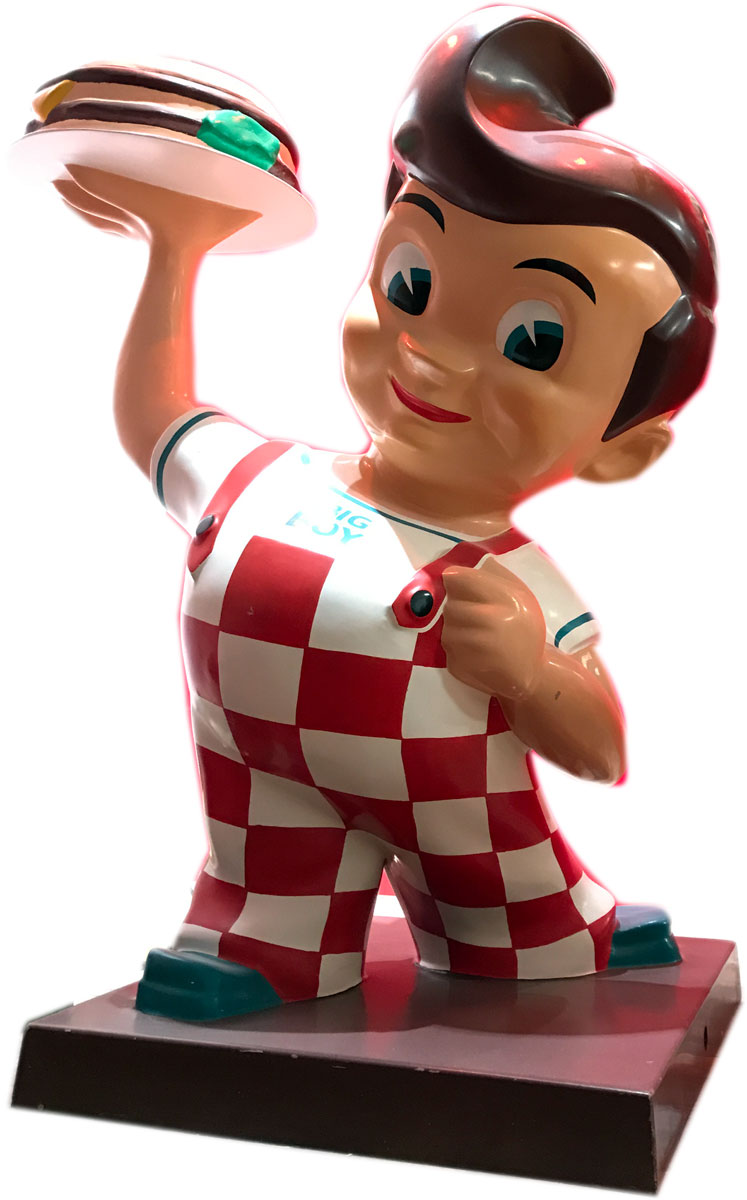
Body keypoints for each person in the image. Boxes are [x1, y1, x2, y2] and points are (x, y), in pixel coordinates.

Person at [52, 6, 716, 1020]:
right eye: (412, 281)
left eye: (534, 341)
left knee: (510, 913)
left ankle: (544, 927)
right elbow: (157, 419)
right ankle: (267, 945)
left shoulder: (503, 573)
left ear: (620, 448)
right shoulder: (260, 477)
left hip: (457, 809)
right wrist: (175, 251)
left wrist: (532, 670)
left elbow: (601, 748)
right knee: (266, 888)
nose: (434, 352)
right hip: (265, 794)